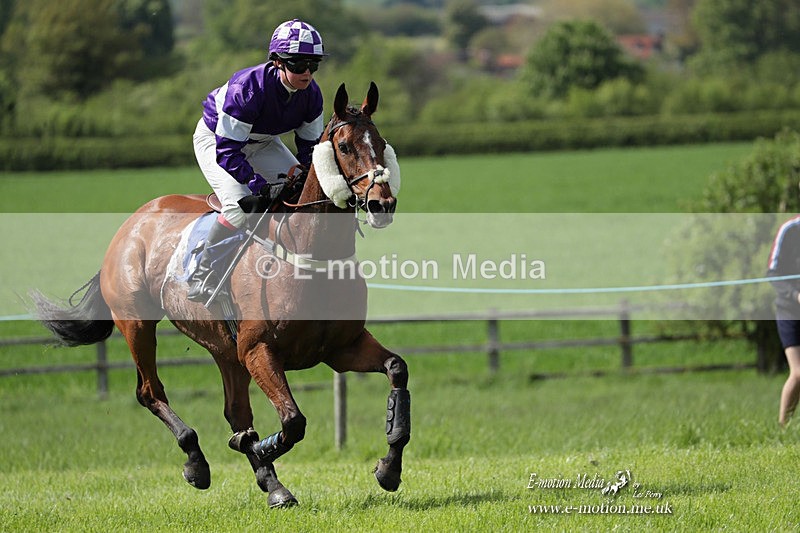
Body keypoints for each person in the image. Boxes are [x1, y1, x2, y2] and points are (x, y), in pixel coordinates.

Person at [188, 19, 326, 301]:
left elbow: (309, 150)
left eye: (314, 65)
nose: (308, 73)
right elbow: (228, 153)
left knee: (302, 193)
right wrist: (257, 185)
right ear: (277, 62)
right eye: (299, 65)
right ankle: (203, 270)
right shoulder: (247, 89)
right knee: (241, 207)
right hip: (217, 141)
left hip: (262, 142)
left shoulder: (312, 95)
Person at [767, 215, 800, 427]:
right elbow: (772, 272)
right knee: (798, 373)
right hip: (789, 311)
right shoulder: (789, 229)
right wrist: (795, 295)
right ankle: (783, 428)